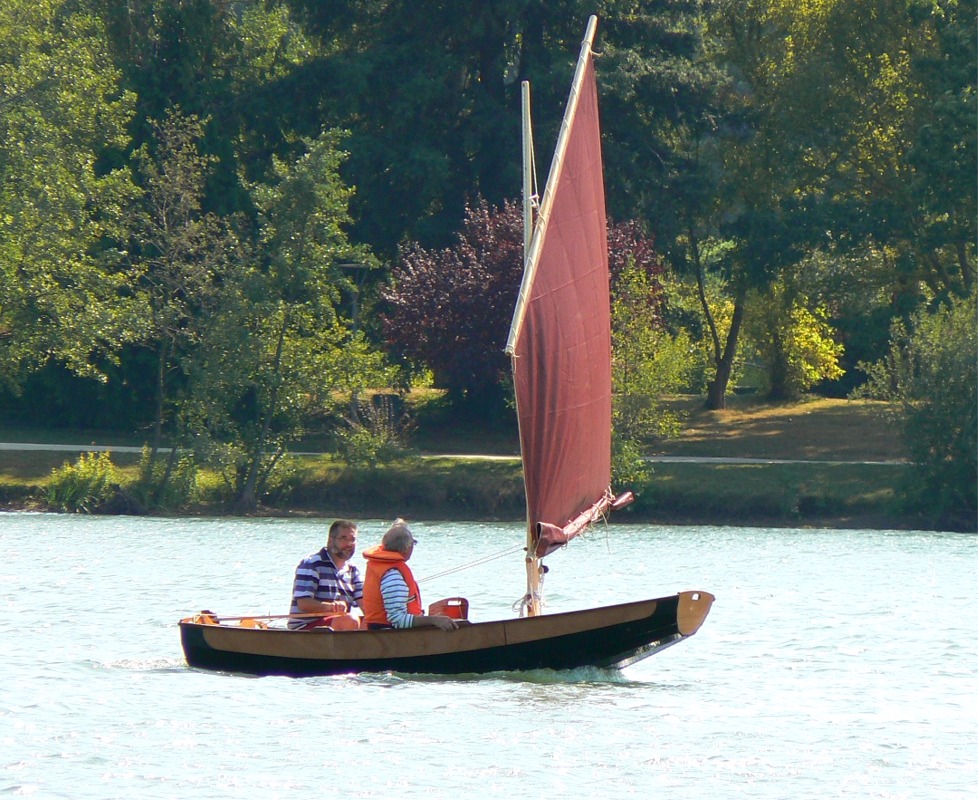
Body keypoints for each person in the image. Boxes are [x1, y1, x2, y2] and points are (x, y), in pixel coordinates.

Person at [361, 519, 458, 631]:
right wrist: (433, 620)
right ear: (408, 547)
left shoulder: (381, 566)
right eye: (413, 543)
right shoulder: (393, 576)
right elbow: (399, 621)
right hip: (389, 637)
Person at [289, 519, 363, 630]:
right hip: (307, 628)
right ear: (330, 540)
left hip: (338, 625)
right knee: (350, 620)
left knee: (372, 622)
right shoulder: (311, 563)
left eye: (352, 539)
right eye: (343, 538)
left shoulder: (353, 570)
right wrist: (331, 607)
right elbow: (303, 603)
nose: (349, 544)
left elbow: (365, 603)